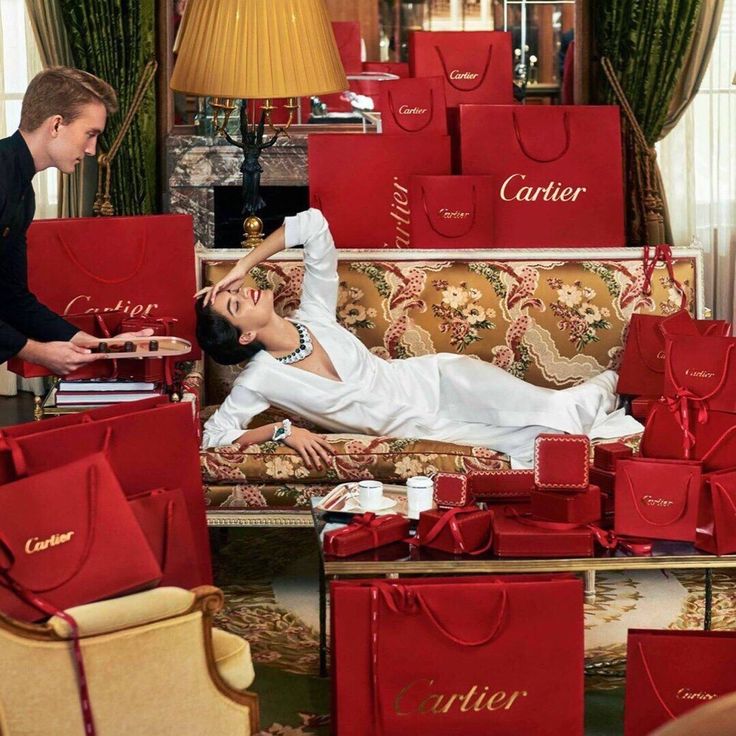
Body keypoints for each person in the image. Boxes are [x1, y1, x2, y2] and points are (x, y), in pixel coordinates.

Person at [196, 209, 641, 468]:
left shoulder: (313, 314)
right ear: (246, 336)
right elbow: (213, 439)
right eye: (235, 304)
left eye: (236, 289)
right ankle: (608, 401)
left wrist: (239, 262)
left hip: (440, 380)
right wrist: (279, 432)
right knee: (542, 442)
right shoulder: (261, 378)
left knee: (553, 408)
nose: (244, 290)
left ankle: (610, 386)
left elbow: (314, 226)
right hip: (423, 425)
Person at [0, 66, 151, 376]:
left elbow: (13, 298)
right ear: (56, 125)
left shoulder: (23, 192)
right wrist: (37, 352)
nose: (92, 149)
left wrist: (97, 345)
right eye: (90, 133)